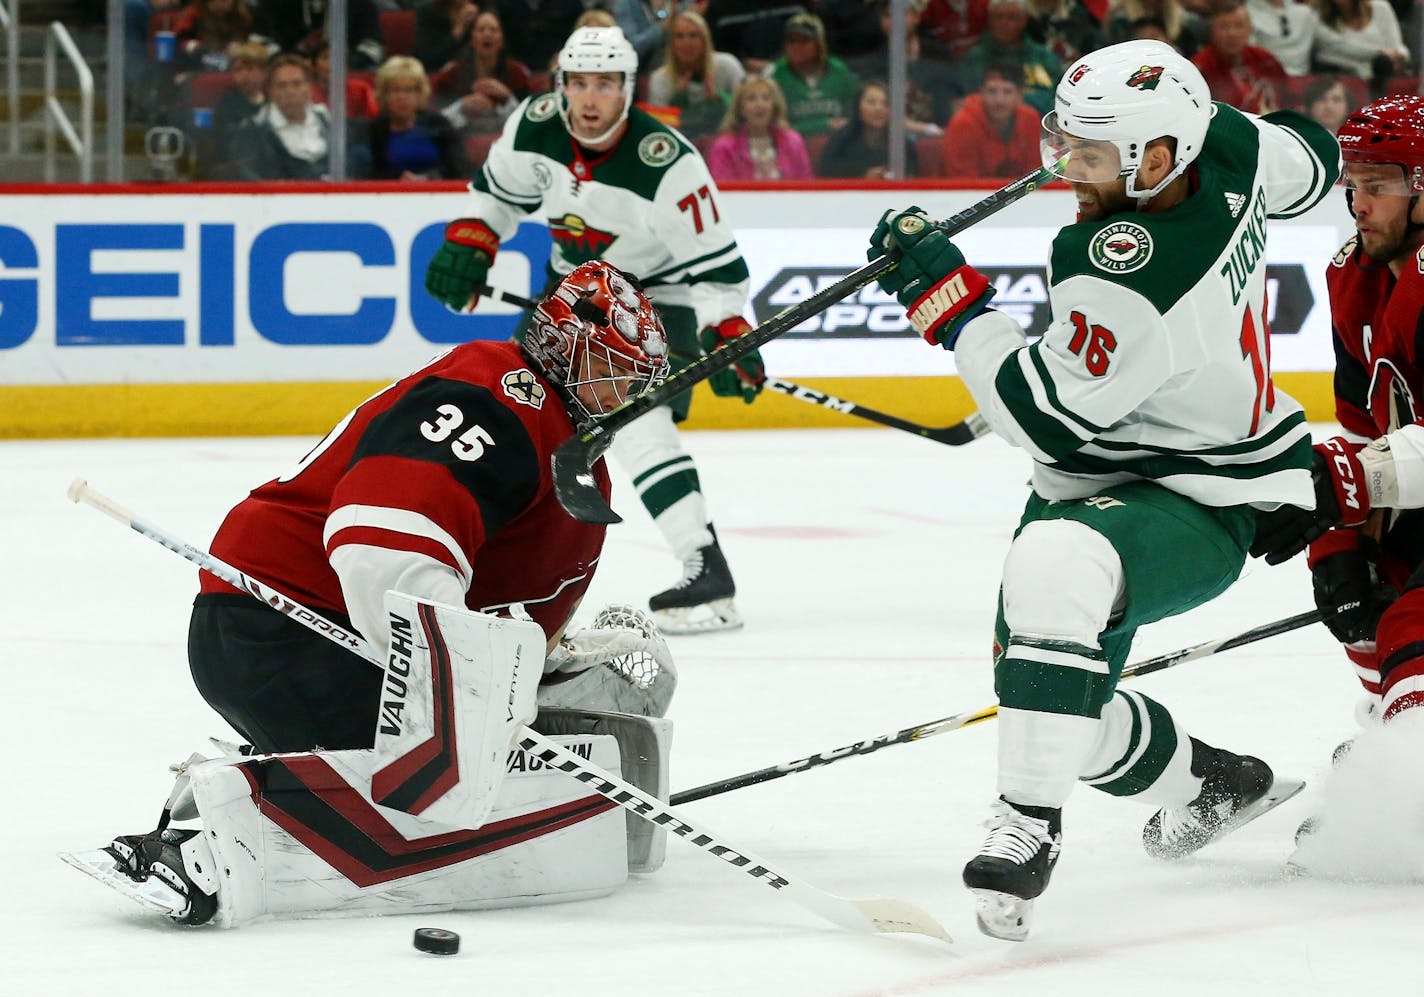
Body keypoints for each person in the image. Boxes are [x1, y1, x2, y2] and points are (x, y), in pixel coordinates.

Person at [865, 39, 1339, 941]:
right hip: (1128, 464)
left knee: (1054, 565)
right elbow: (1310, 156)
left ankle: (1025, 826)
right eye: (1066, 141)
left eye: (1088, 153)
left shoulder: (1130, 266)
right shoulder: (1227, 142)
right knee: (1047, 699)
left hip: (1193, 496)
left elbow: (1040, 420)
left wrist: (947, 304)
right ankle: (1209, 783)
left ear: (1158, 157)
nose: (1063, 169)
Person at [69, 260, 680, 927]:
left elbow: (508, 609)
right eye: (612, 372)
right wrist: (461, 692)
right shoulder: (503, 393)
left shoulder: (569, 453)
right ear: (562, 345)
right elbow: (385, 540)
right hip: (288, 624)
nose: (628, 395)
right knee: (428, 798)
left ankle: (249, 792)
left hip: (326, 635)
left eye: (635, 381)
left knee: (482, 773)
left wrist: (517, 688)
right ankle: (198, 845)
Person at [424, 26, 765, 634]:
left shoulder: (669, 164)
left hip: (655, 298)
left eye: (605, 85)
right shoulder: (535, 125)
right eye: (578, 83)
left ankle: (704, 565)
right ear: (561, 85)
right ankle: (494, 564)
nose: (589, 99)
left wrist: (730, 328)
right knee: (517, 408)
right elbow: (496, 198)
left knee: (634, 423)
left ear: (628, 90)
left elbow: (718, 265)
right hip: (575, 296)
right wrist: (472, 241)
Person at [1248, 96, 1424, 729]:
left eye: (1378, 186)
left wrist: (1346, 480)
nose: (1359, 204)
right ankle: (1396, 729)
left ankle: (1406, 781)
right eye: (1353, 184)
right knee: (1352, 585)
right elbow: (1362, 429)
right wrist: (1341, 535)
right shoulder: (1356, 275)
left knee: (1415, 623)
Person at [223, 53, 333, 179]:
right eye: (281, 86)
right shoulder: (253, 131)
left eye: (297, 84)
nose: (290, 92)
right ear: (271, 92)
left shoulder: (329, 121)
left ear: (310, 87)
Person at [358, 55, 469, 178]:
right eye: (395, 90)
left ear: (420, 94)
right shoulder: (373, 131)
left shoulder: (438, 125)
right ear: (384, 94)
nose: (402, 97)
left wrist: (429, 178)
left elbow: (460, 169)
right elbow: (366, 173)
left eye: (409, 90)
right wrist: (398, 177)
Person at [646, 11, 745, 142]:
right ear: (671, 43)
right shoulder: (659, 79)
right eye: (679, 36)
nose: (687, 43)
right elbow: (659, 130)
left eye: (694, 36)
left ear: (705, 40)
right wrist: (678, 98)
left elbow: (747, 108)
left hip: (728, 142)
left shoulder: (728, 65)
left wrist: (720, 98)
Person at [433, 9, 532, 134]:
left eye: (493, 30)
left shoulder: (516, 73)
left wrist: (507, 97)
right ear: (472, 39)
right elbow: (436, 123)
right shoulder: (452, 74)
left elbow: (528, 122)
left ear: (501, 40)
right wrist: (462, 106)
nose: (487, 34)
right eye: (481, 30)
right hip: (461, 142)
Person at [959, 0, 1064, 115]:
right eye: (998, 17)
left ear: (1024, 20)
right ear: (989, 20)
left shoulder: (1044, 57)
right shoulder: (974, 59)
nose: (1004, 23)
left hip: (1042, 124)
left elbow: (1062, 97)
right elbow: (963, 102)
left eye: (1011, 17)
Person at [769, 12, 862, 139]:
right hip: (793, 149)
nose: (796, 47)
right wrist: (823, 125)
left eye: (804, 41)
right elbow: (776, 128)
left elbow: (856, 118)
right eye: (792, 41)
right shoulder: (777, 74)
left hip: (839, 146)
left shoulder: (839, 71)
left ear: (819, 44)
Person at [941, 60, 1040, 179]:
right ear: (981, 92)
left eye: (1007, 92)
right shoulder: (962, 123)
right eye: (991, 91)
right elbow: (963, 182)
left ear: (1020, 95)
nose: (999, 100)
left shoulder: (1030, 119)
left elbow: (1036, 173)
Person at [706, 75, 815, 181]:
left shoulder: (793, 142)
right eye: (751, 98)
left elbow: (807, 185)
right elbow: (722, 191)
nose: (760, 105)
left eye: (766, 98)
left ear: (774, 106)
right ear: (741, 108)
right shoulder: (724, 147)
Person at [1191, 0, 1287, 114]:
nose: (1232, 33)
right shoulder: (1198, 70)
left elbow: (1289, 99)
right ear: (1212, 30)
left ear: (1250, 29)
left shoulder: (1266, 60)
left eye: (1239, 26)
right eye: (1224, 27)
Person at [818, 80, 919, 179]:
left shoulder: (901, 144)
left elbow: (911, 174)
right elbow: (827, 171)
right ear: (858, 107)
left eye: (886, 104)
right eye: (871, 102)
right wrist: (863, 175)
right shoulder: (842, 140)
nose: (879, 108)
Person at [1314, 0, 1410, 100]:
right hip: (1346, 81)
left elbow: (1396, 47)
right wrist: (1378, 53)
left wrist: (1400, 55)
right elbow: (1329, 52)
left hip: (1382, 76)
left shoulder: (1381, 7)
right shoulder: (1319, 15)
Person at [1244, 0, 1321, 78]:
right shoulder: (1247, 13)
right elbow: (1246, 54)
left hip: (1302, 78)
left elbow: (1329, 43)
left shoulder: (1304, 12)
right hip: (1269, 78)